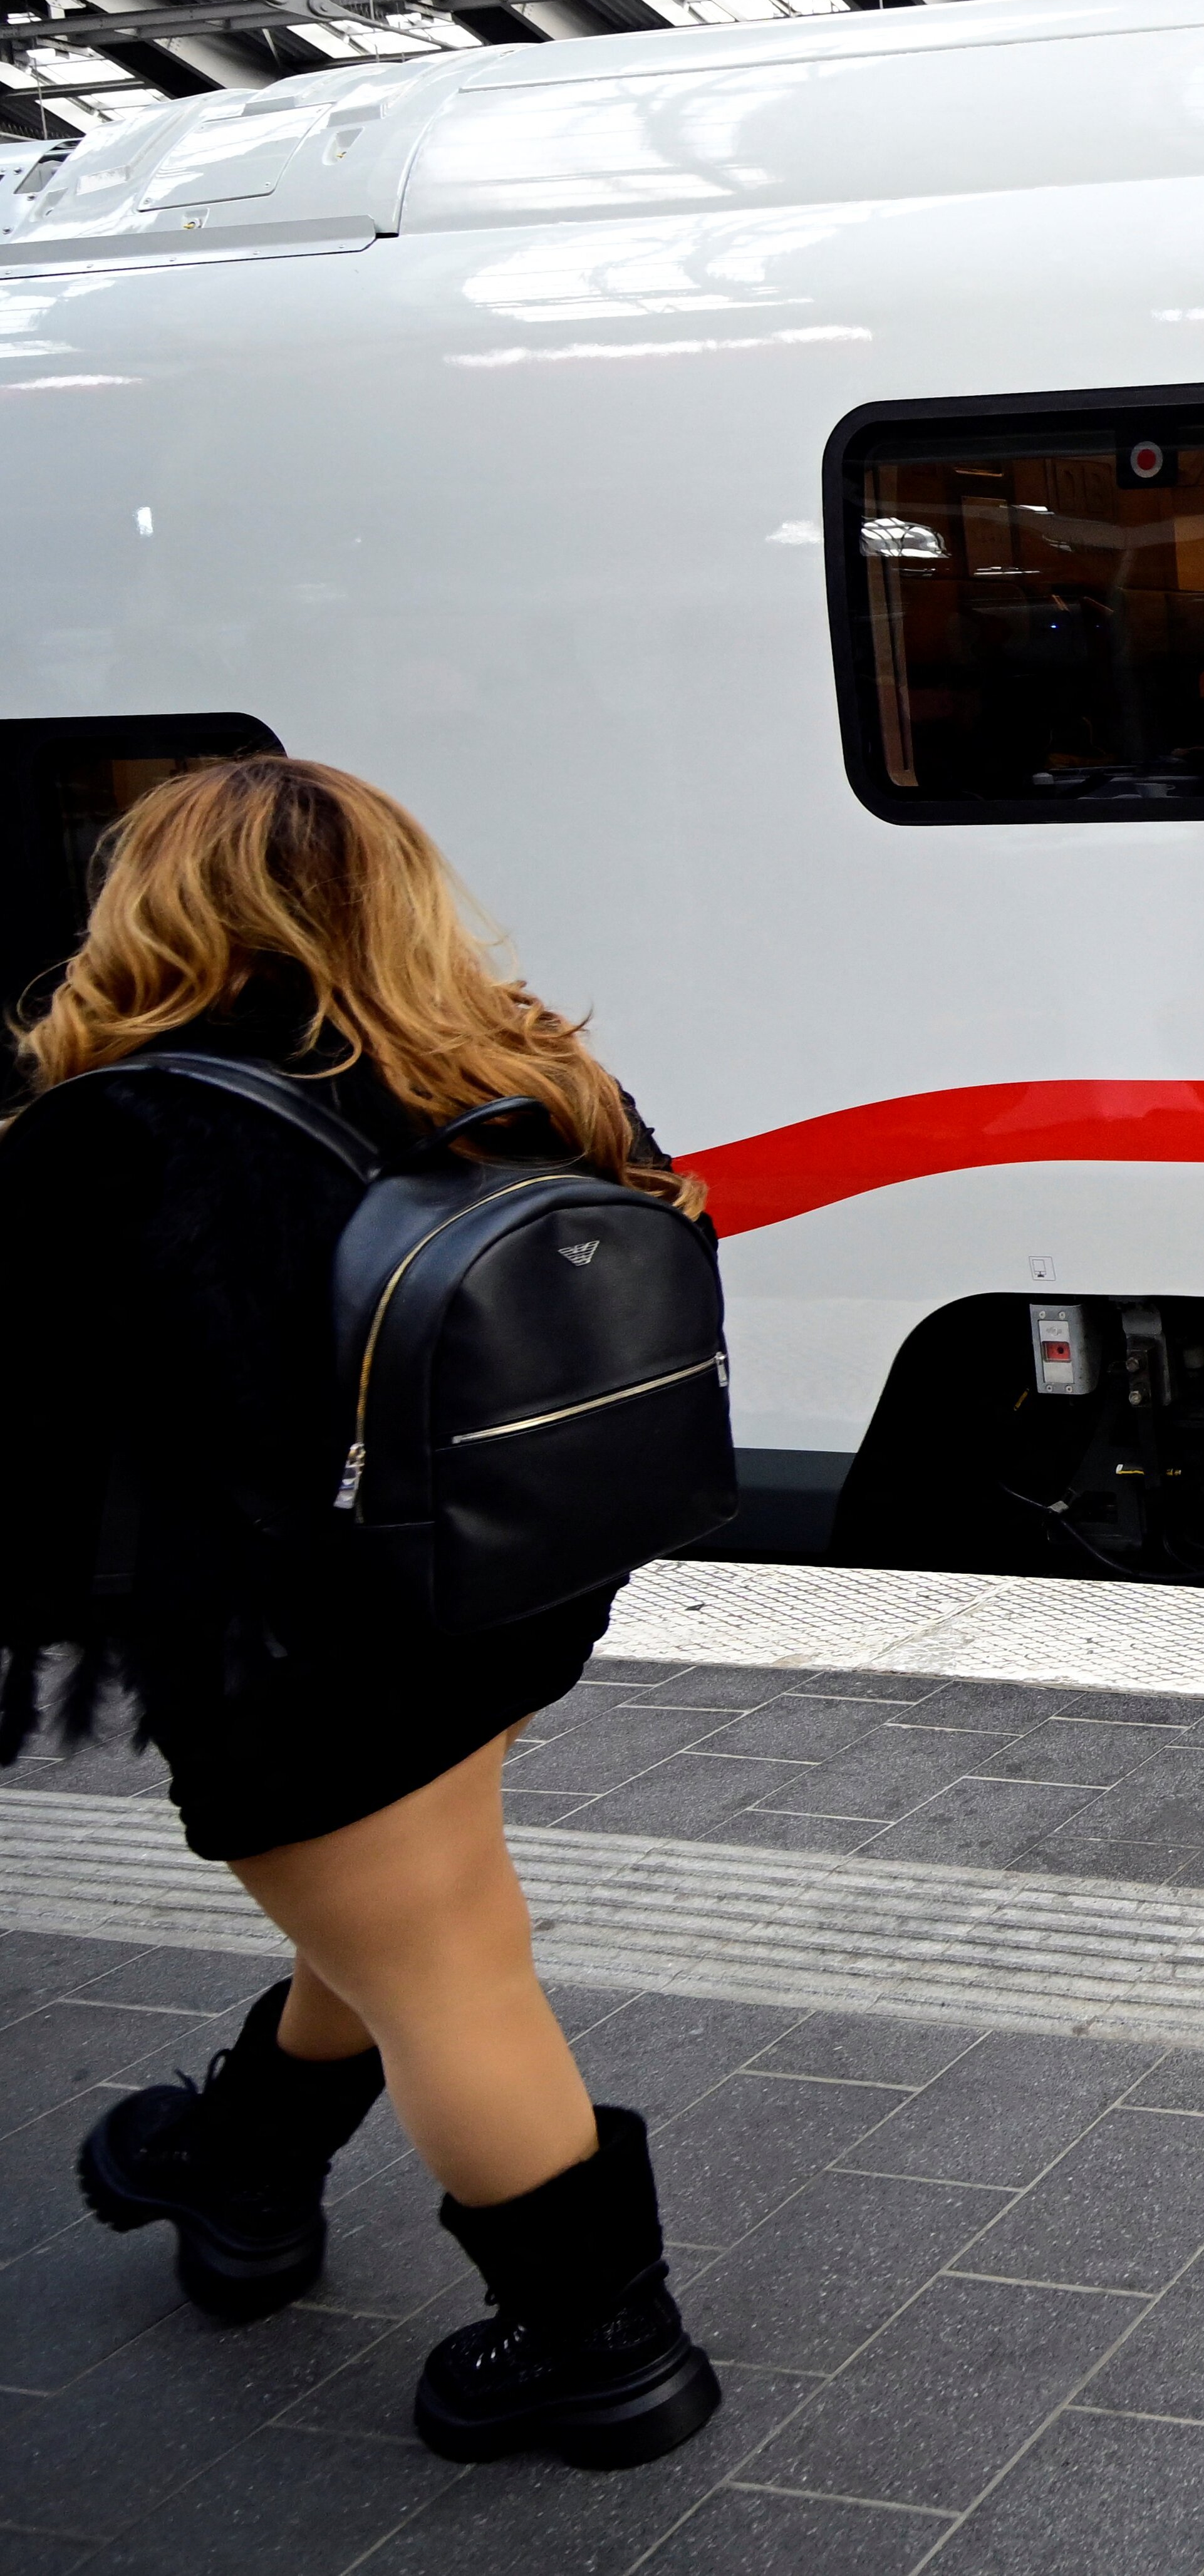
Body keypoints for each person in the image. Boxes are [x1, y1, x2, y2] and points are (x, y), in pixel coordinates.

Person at [0, 759, 720, 2470]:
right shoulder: (520, 1069)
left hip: (301, 1645)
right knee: (410, 1900)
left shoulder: (132, 1124)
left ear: (155, 902)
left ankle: (598, 2343)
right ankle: (244, 2163)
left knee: (447, 1963)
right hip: (511, 1584)